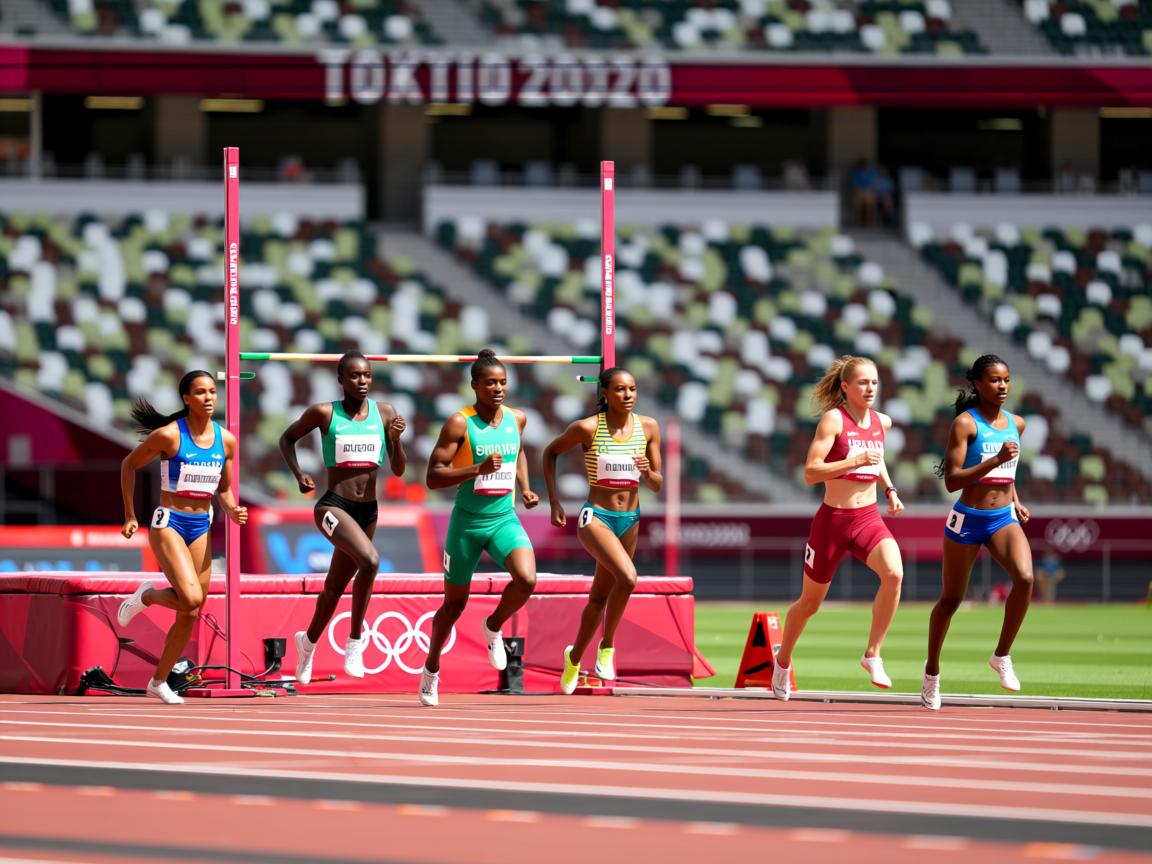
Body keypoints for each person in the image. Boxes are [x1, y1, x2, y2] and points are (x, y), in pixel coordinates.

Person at [771, 355, 905, 701]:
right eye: (862, 382)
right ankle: (782, 660)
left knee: (894, 574)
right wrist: (854, 461)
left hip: (868, 519)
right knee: (810, 604)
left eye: (874, 382)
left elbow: (878, 457)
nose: (870, 388)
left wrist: (889, 488)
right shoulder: (834, 420)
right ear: (845, 387)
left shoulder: (883, 422)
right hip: (832, 522)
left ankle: (872, 654)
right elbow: (811, 472)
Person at [118, 370, 248, 704]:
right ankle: (146, 598)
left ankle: (159, 681)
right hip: (169, 524)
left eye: (213, 392)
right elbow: (129, 465)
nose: (208, 398)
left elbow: (225, 490)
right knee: (189, 599)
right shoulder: (170, 436)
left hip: (201, 525)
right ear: (186, 399)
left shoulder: (227, 440)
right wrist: (131, 515)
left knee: (192, 610)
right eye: (201, 392)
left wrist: (233, 510)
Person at [419, 349, 539, 706]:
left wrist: (526, 486)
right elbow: (432, 476)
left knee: (527, 579)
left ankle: (493, 626)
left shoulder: (517, 418)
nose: (498, 388)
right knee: (453, 606)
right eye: (490, 383)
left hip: (504, 518)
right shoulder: (459, 423)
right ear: (474, 386)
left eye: (502, 382)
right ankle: (431, 669)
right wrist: (476, 470)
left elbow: (517, 452)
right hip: (467, 524)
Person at [279, 351, 407, 683]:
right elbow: (287, 439)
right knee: (371, 561)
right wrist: (298, 474)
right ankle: (355, 640)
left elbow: (399, 469)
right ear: (340, 379)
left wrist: (395, 440)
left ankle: (307, 644)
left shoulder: (386, 413)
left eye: (366, 375)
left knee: (334, 587)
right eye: (354, 376)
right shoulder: (324, 413)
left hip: (369, 510)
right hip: (332, 506)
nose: (362, 381)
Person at [542, 367, 663, 695]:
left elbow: (656, 484)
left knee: (598, 598)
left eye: (633, 389)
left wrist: (648, 471)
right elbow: (550, 452)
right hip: (596, 517)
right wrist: (554, 503)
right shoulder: (587, 428)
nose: (628, 395)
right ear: (605, 395)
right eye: (621, 389)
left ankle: (574, 657)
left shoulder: (648, 427)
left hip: (631, 519)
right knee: (628, 577)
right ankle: (607, 647)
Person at [922, 354, 1033, 711]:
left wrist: (1014, 498)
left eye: (1007, 379)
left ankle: (1002, 655)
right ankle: (932, 673)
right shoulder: (965, 425)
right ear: (978, 384)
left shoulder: (1017, 423)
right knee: (951, 600)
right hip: (968, 519)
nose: (1002, 386)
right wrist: (994, 461)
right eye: (995, 380)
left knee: (1026, 578)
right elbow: (953, 481)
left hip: (1002, 518)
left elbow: (1011, 468)